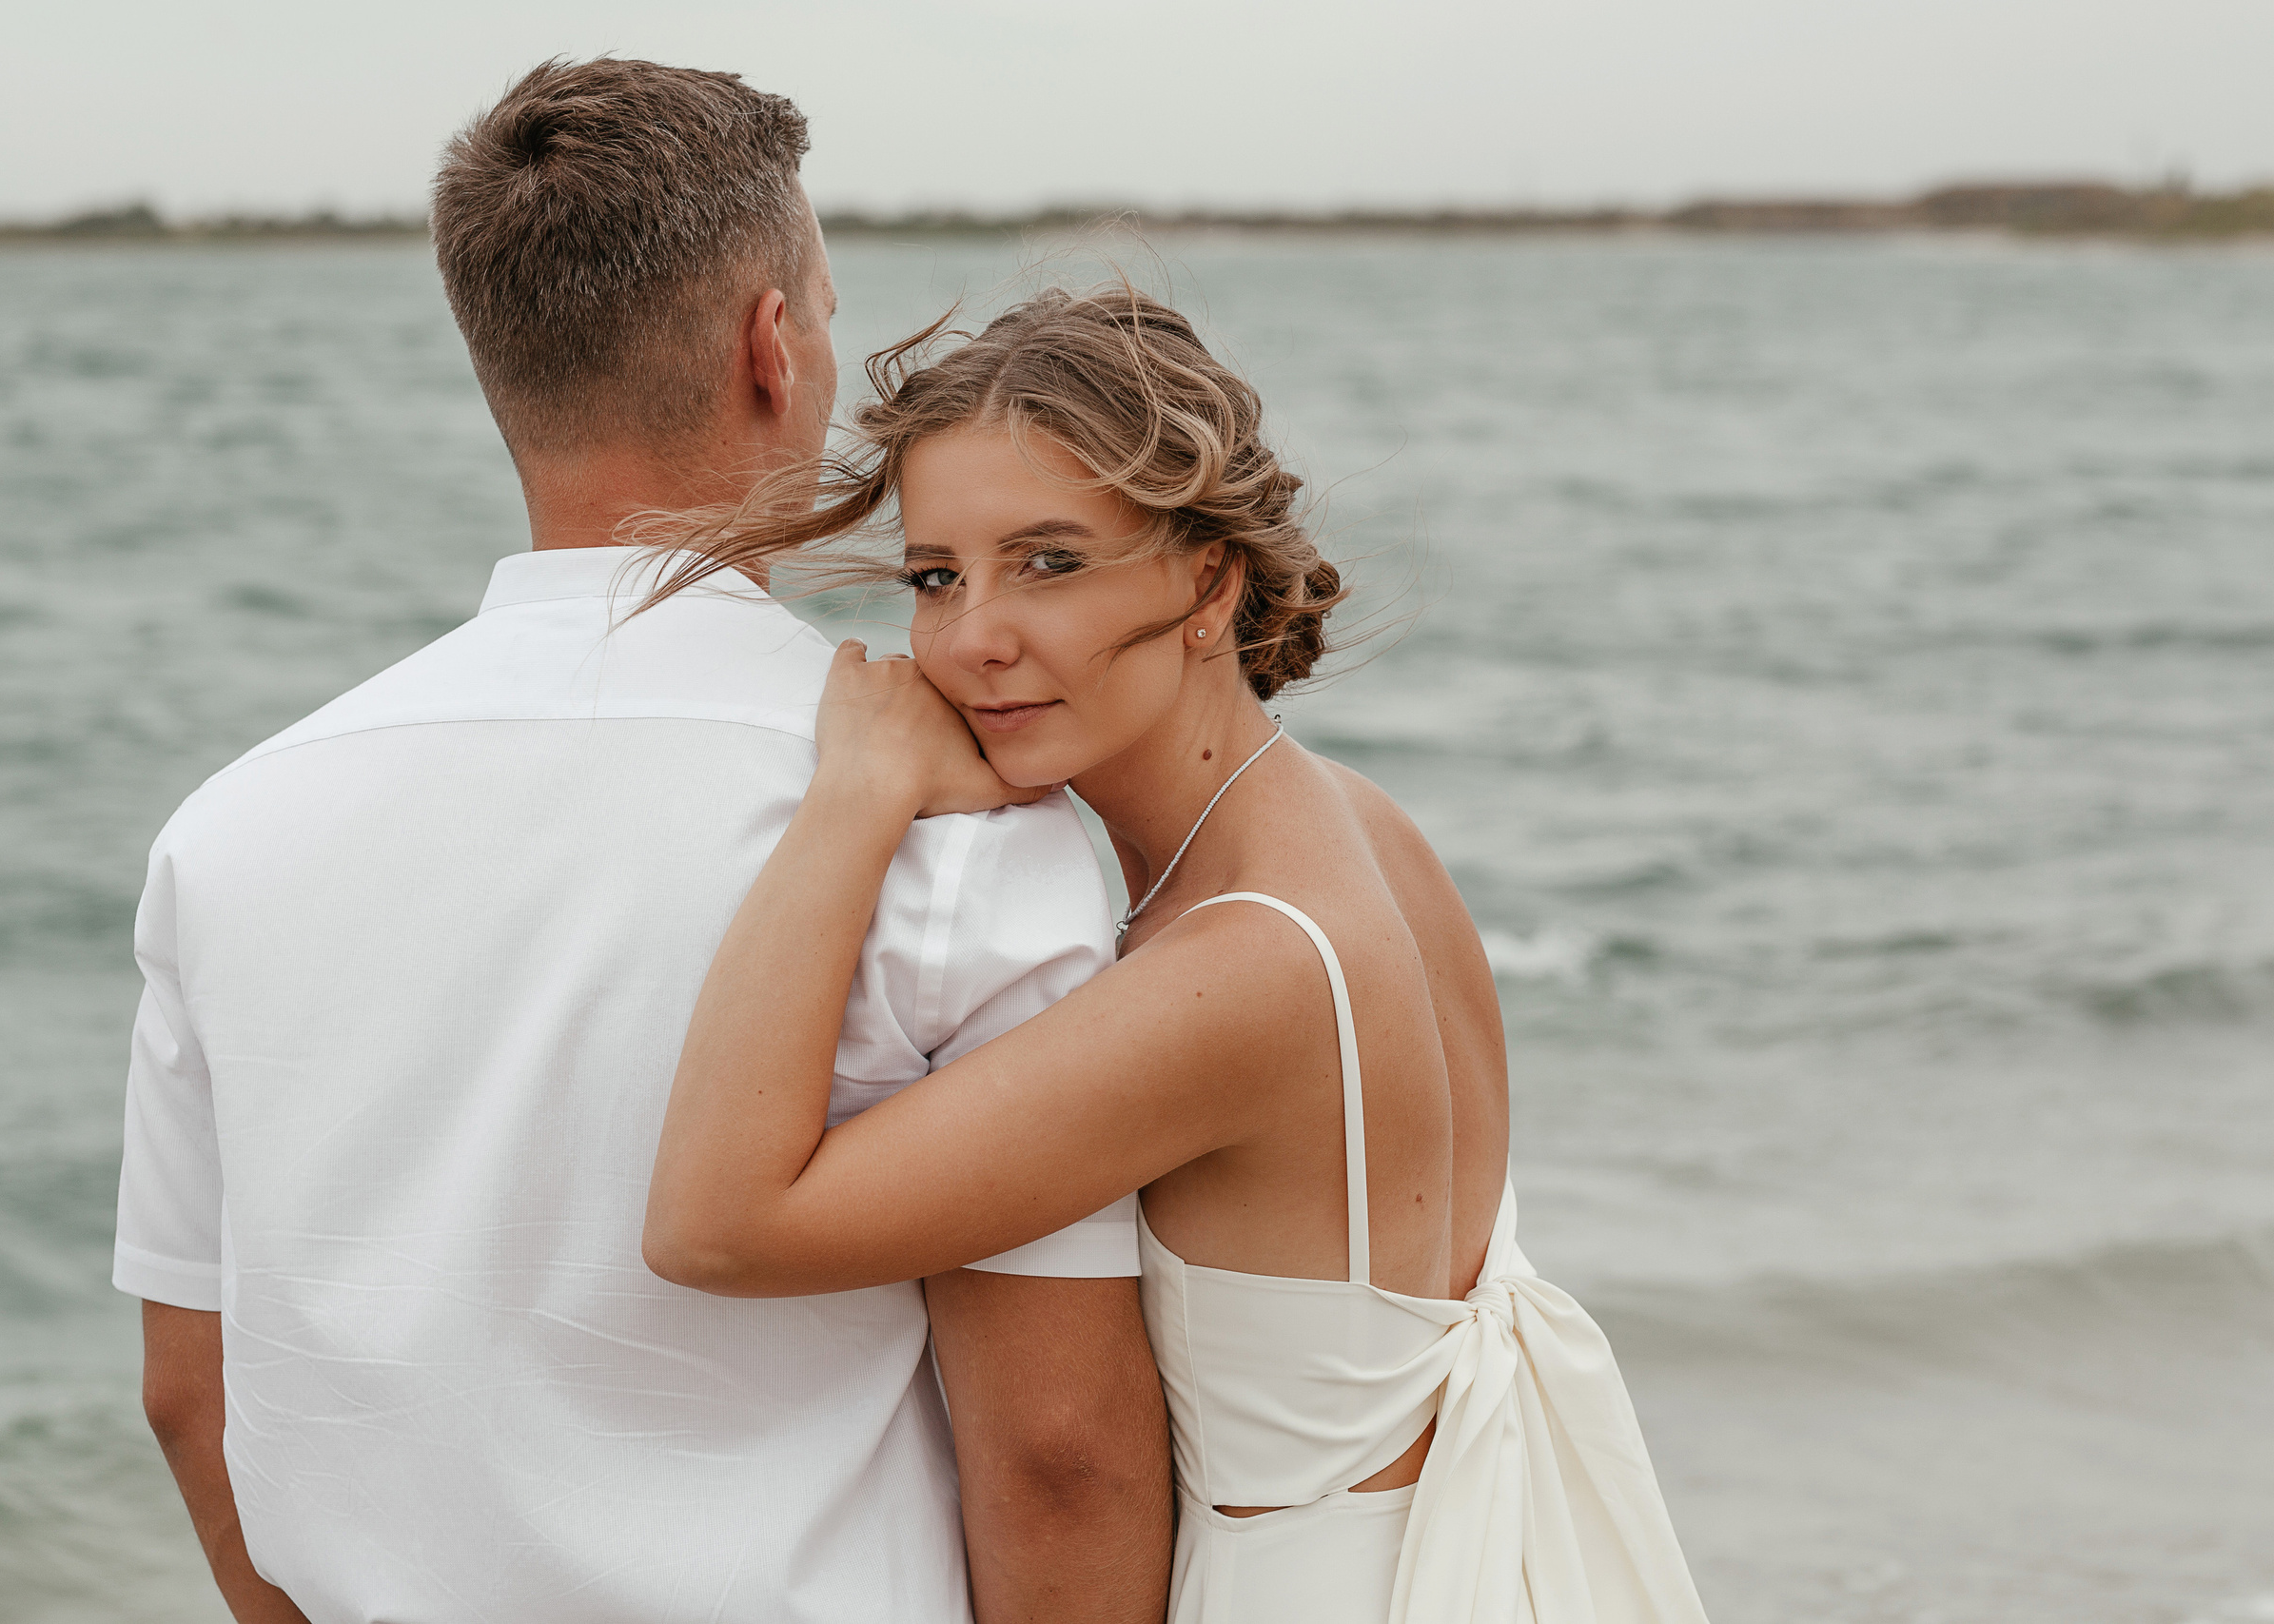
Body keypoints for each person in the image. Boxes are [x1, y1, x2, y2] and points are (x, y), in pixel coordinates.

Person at [110, 60, 1171, 1624]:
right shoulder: (950, 814)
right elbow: (1060, 1453)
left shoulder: (231, 832)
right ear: (771, 345)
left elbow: (193, 1402)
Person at [639, 286, 1715, 1623]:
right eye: (935, 576)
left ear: (1209, 578)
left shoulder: (1247, 967)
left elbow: (718, 1224)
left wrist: (851, 806)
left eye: (1050, 562)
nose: (974, 637)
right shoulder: (1363, 830)